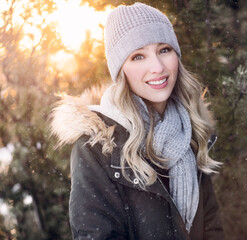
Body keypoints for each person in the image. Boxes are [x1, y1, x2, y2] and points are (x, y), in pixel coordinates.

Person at [50, 2, 224, 240]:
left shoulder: (190, 130)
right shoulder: (97, 146)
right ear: (120, 71)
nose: (157, 67)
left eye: (164, 50)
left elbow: (211, 227)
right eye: (138, 56)